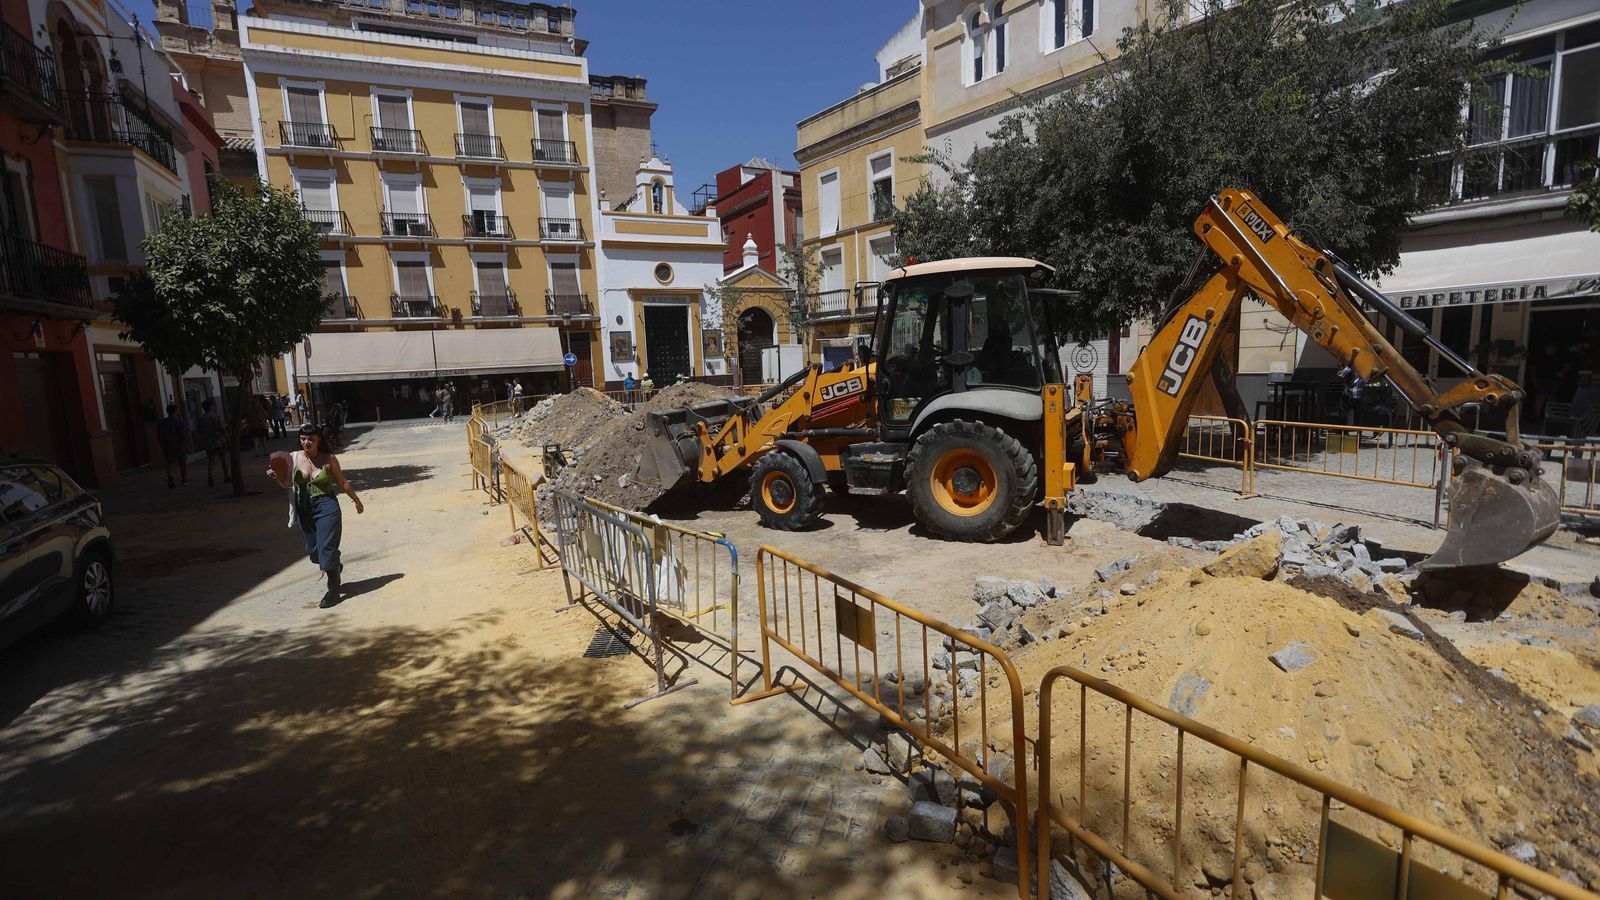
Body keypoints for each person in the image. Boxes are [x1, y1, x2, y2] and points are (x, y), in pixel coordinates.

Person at [269, 423, 364, 608]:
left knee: (326, 547)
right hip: (304, 507)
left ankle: (333, 590)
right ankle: (334, 566)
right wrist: (277, 478)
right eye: (303, 439)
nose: (306, 442)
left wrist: (357, 500)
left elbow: (342, 482)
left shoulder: (329, 459)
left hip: (327, 505)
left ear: (319, 440)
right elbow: (287, 485)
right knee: (314, 552)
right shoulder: (293, 458)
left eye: (311, 439)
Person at [195, 399, 229, 487]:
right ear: (211, 407)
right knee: (223, 458)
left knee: (211, 460)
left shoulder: (201, 419)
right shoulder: (217, 416)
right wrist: (228, 439)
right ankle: (227, 476)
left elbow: (199, 431)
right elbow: (223, 429)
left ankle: (210, 476)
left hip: (208, 442)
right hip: (219, 441)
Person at [156, 403, 189, 488]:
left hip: (167, 445)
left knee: (169, 463)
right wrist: (186, 444)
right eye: (178, 410)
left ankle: (170, 479)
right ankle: (184, 479)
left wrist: (161, 443)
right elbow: (183, 434)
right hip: (179, 444)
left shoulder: (162, 422)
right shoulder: (179, 421)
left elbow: (159, 434)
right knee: (182, 462)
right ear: (175, 411)